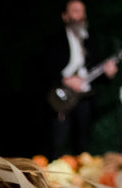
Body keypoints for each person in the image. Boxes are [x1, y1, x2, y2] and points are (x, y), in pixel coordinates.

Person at [44, 1, 118, 158]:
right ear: (65, 16)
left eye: (83, 12)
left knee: (82, 143)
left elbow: (95, 70)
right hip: (62, 96)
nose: (81, 16)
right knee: (58, 141)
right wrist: (65, 80)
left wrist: (107, 72)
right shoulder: (54, 40)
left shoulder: (89, 39)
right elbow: (43, 69)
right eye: (76, 11)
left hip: (84, 98)